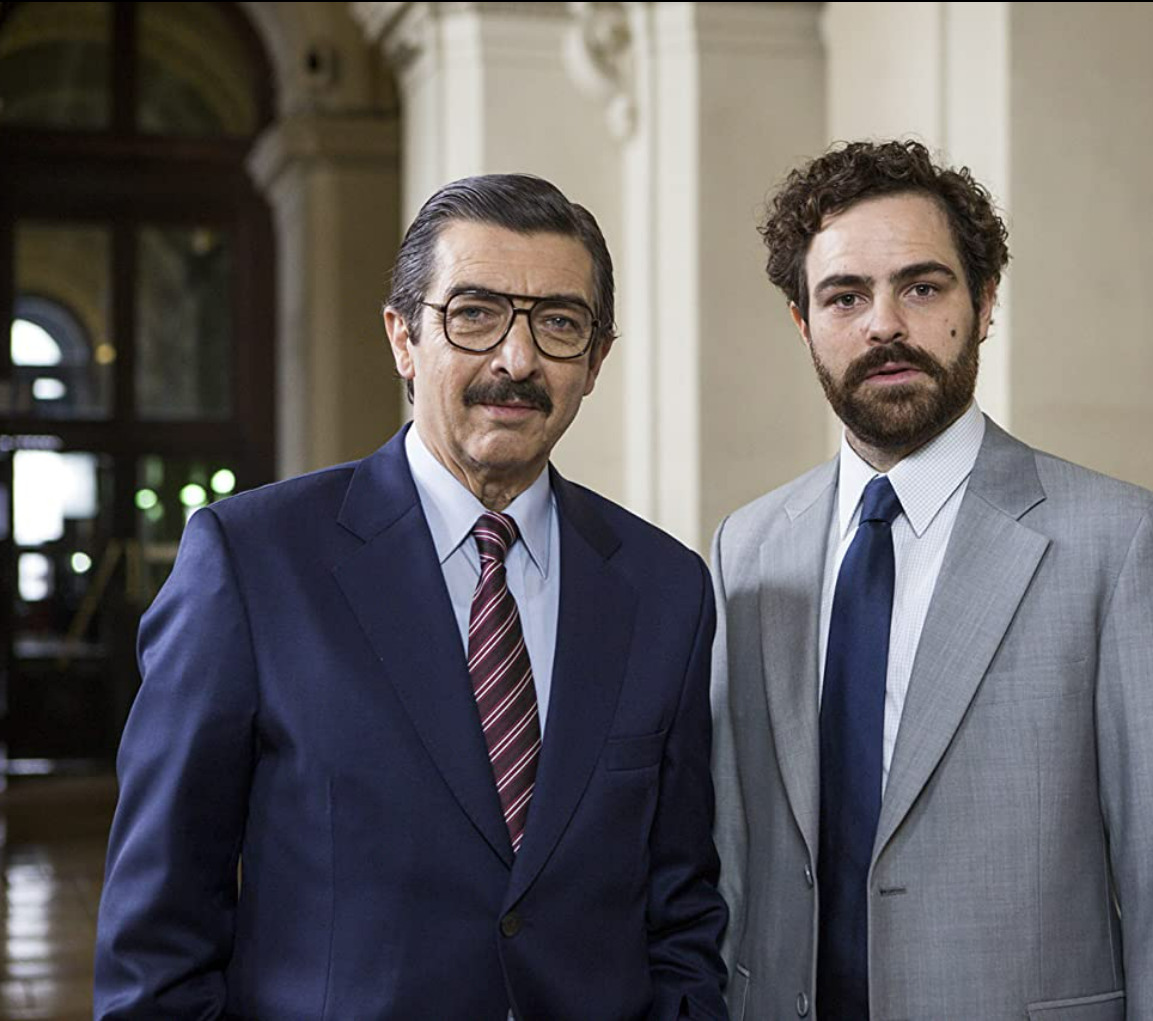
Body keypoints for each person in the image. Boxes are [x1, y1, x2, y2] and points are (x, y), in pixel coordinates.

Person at [94, 174, 728, 1021]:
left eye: (559, 324)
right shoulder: (251, 563)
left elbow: (678, 907)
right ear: (403, 337)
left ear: (596, 361)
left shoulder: (664, 587)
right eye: (473, 313)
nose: (516, 358)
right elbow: (157, 933)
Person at [710, 140, 1153, 1021]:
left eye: (922, 287)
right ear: (804, 324)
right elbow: (728, 845)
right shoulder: (748, 547)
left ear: (983, 303)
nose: (884, 325)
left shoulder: (1121, 542)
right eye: (845, 296)